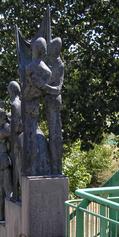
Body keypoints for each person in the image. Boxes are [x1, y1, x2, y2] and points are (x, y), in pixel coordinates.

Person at [22, 37, 52, 176]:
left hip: (29, 104)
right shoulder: (47, 71)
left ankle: (32, 167)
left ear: (35, 50)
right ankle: (34, 166)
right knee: (32, 135)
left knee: (30, 137)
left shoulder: (28, 68)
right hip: (35, 104)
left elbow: (26, 91)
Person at [44, 37, 64, 175]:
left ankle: (57, 167)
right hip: (48, 101)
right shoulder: (49, 64)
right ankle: (52, 166)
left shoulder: (59, 65)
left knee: (55, 136)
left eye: (50, 46)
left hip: (54, 101)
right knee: (52, 135)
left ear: (55, 49)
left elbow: (57, 88)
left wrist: (43, 86)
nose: (47, 48)